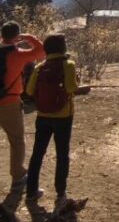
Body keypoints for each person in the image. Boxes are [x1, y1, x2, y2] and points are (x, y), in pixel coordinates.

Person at [24, 34, 86, 212]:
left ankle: (31, 191)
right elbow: (71, 88)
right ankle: (60, 193)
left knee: (37, 153)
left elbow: (29, 90)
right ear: (63, 48)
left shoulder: (40, 67)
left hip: (42, 116)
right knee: (62, 154)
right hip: (63, 116)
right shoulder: (69, 65)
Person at [0, 21, 45, 193]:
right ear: (16, 36)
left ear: (1, 34)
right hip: (9, 102)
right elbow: (41, 52)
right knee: (17, 140)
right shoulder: (17, 54)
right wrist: (27, 37)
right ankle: (18, 177)